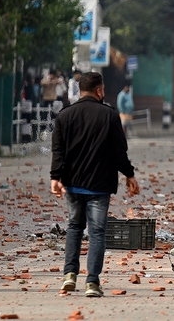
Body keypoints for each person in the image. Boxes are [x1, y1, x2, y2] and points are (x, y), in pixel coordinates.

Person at [51, 71, 139, 298]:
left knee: (74, 228)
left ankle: (69, 275)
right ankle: (92, 282)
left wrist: (56, 177)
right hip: (99, 186)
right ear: (99, 90)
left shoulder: (65, 115)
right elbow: (119, 151)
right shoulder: (109, 116)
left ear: (81, 90)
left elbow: (58, 150)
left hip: (72, 185)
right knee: (97, 232)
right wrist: (129, 175)